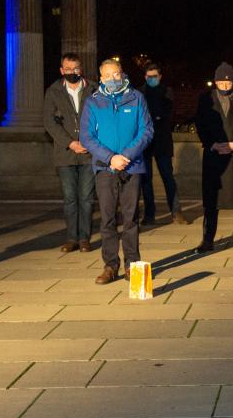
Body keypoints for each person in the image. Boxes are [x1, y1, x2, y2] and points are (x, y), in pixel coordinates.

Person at [80, 58, 154, 285]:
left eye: (117, 74)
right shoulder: (93, 102)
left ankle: (133, 265)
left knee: (131, 218)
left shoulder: (137, 98)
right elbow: (86, 137)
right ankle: (110, 265)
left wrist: (127, 155)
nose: (114, 78)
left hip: (133, 166)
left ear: (122, 74)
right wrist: (111, 157)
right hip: (105, 168)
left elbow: (147, 130)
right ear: (100, 78)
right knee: (108, 219)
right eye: (108, 75)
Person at [193, 62, 233, 253]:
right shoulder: (206, 99)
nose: (225, 86)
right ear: (215, 82)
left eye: (228, 83)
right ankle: (208, 239)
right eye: (220, 82)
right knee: (211, 200)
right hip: (214, 155)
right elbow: (200, 124)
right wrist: (212, 144)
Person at [43, 52, 96, 253]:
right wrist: (70, 143)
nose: (72, 72)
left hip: (89, 153)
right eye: (68, 69)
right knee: (70, 198)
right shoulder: (54, 91)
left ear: (80, 69)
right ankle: (71, 238)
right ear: (61, 70)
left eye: (76, 69)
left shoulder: (93, 89)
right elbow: (49, 122)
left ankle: (84, 238)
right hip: (65, 154)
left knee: (86, 197)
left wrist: (88, 141)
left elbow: (99, 118)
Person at [138, 63, 186, 225]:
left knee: (168, 177)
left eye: (155, 76)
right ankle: (149, 214)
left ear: (160, 76)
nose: (152, 79)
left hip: (162, 140)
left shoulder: (167, 91)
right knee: (146, 179)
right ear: (145, 77)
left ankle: (176, 211)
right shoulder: (140, 92)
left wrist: (154, 116)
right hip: (145, 142)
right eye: (149, 77)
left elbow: (166, 113)